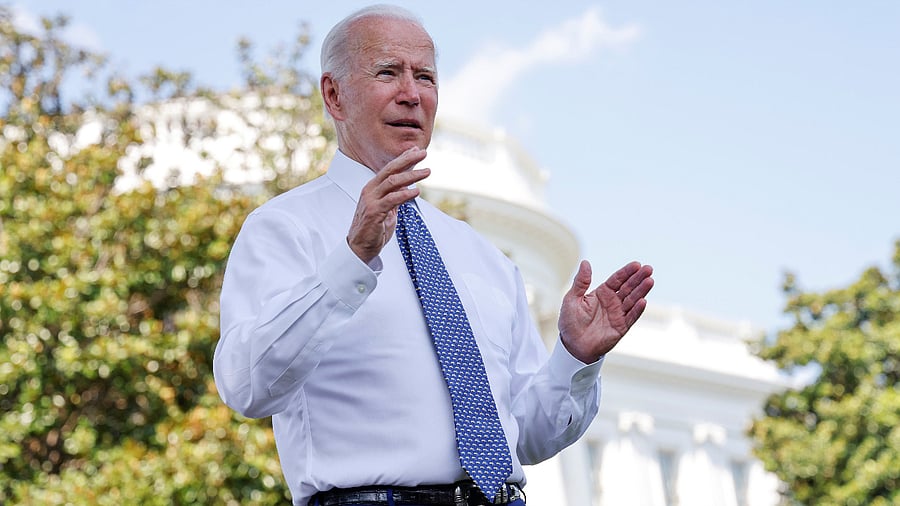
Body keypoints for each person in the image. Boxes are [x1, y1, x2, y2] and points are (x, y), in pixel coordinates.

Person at [213, 5, 654, 506]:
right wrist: (351, 260)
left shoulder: (482, 256)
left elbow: (525, 435)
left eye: (425, 76)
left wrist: (575, 359)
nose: (412, 93)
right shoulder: (282, 228)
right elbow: (245, 387)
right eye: (387, 72)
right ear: (333, 95)